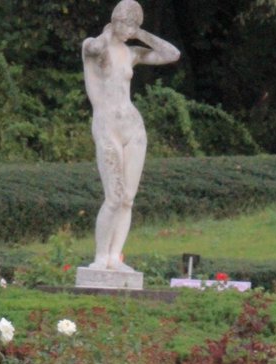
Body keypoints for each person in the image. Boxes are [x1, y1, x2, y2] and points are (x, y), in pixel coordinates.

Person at [83, 2, 180, 272]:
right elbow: (94, 49)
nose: (131, 31)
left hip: (133, 127)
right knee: (113, 196)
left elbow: (172, 54)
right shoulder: (94, 46)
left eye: (135, 26)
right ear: (116, 21)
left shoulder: (131, 52)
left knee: (128, 197)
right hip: (106, 126)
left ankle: (115, 256)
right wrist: (111, 29)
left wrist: (140, 34)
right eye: (129, 25)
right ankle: (101, 258)